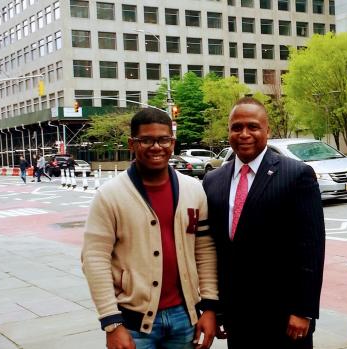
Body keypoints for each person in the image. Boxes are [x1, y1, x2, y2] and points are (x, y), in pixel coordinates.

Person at [82, 108, 218, 349]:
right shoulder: (110, 195)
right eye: (146, 140)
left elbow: (204, 249)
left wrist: (208, 306)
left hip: (185, 317)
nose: (157, 147)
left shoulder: (193, 190)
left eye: (164, 139)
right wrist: (112, 323)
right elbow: (94, 259)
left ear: (173, 143)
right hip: (133, 322)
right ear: (132, 144)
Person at [202, 97, 326, 349]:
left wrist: (304, 310)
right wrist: (215, 308)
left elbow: (311, 248)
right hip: (237, 315)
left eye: (253, 127)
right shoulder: (213, 180)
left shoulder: (296, 174)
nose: (244, 134)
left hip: (286, 316)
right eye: (236, 127)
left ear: (267, 131)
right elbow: (213, 249)